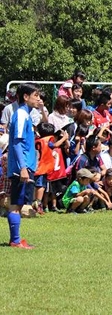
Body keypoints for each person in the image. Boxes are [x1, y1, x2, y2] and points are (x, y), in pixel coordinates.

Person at [6, 84, 41, 249]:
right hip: (21, 167)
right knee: (16, 204)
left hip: (25, 165)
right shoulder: (20, 114)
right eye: (36, 95)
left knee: (19, 203)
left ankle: (16, 239)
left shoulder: (25, 115)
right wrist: (23, 167)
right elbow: (17, 142)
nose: (38, 99)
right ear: (25, 97)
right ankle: (15, 240)